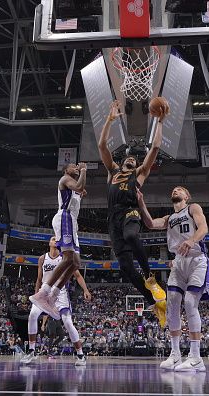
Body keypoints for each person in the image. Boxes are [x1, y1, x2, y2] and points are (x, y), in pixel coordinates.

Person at [98, 100, 168, 327]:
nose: (131, 159)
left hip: (130, 211)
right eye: (127, 158)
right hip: (112, 218)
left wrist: (160, 121)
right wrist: (109, 120)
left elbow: (155, 148)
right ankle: (154, 302)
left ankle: (149, 276)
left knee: (131, 236)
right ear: (122, 161)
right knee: (126, 267)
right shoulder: (112, 171)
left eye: (134, 159)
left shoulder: (138, 175)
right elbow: (102, 146)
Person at [137, 186, 209, 372]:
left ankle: (196, 357)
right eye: (174, 190)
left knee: (190, 303)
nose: (175, 191)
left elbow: (204, 228)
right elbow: (151, 224)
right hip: (178, 262)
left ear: (187, 195)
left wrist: (191, 240)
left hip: (196, 260)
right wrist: (141, 201)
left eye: (180, 189)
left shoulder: (193, 208)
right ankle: (176, 355)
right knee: (172, 305)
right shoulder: (169, 219)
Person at [30, 163, 87, 319]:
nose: (76, 167)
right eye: (73, 166)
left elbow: (80, 187)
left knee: (76, 263)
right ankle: (43, 293)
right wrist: (83, 170)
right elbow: (80, 185)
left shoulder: (73, 186)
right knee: (68, 258)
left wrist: (80, 191)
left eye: (77, 167)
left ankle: (52, 295)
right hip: (64, 218)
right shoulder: (65, 179)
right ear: (65, 170)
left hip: (72, 222)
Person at [22, 237, 92, 366]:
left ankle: (80, 354)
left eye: (56, 239)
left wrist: (85, 290)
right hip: (44, 291)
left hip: (60, 294)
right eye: (52, 238)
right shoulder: (42, 258)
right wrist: (36, 294)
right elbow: (39, 279)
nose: (54, 240)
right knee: (32, 315)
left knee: (67, 323)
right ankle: (31, 350)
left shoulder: (65, 258)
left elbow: (77, 275)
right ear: (49, 243)